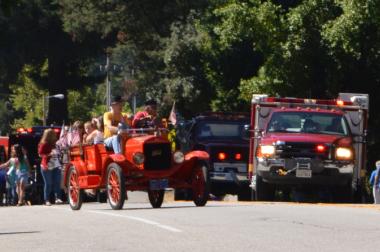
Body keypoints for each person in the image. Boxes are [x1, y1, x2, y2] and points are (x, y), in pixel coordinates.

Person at [38, 129, 63, 206]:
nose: (55, 135)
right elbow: (40, 154)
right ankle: (47, 200)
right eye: (53, 134)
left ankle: (58, 198)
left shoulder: (56, 144)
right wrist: (49, 154)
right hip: (47, 165)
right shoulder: (44, 144)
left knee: (57, 182)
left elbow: (59, 152)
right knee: (48, 183)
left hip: (56, 165)